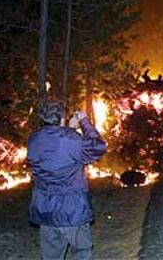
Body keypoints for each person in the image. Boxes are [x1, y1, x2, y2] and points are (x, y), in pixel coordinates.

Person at [27, 101, 106, 259]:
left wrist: (68, 128)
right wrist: (84, 122)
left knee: (51, 254)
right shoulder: (73, 139)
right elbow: (97, 147)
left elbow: (55, 148)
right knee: (81, 251)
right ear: (62, 118)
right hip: (71, 208)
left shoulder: (33, 140)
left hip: (45, 207)